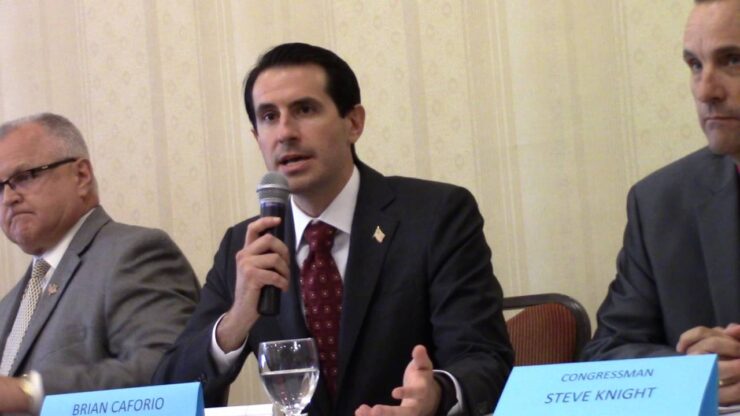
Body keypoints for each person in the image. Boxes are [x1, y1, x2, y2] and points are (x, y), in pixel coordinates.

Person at [153, 43, 513, 415]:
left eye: (304, 110)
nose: (285, 133)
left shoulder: (435, 216)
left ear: (353, 123)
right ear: (256, 137)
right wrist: (236, 319)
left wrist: (437, 394)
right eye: (269, 117)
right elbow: (168, 393)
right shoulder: (246, 245)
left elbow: (485, 358)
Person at [582, 0, 740, 406]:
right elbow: (607, 353)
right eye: (695, 65)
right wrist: (691, 370)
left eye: (733, 60)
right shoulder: (661, 202)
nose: (705, 90)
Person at [0, 113, 201, 415]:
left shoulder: (136, 254)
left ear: (81, 176)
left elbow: (169, 372)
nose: (8, 198)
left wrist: (30, 392)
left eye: (25, 177)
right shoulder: (8, 306)